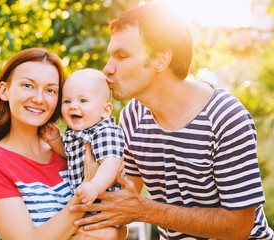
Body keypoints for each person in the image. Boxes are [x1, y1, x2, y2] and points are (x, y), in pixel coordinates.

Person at [69, 4, 274, 240]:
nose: (107, 69)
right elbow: (120, 201)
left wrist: (145, 211)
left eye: (122, 56)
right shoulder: (132, 117)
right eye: (110, 56)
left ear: (160, 59)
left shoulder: (226, 117)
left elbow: (239, 228)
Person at [0, 48, 125, 240]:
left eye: (50, 90)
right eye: (27, 85)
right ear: (4, 90)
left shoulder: (71, 150)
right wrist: (85, 193)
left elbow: (118, 229)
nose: (39, 98)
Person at [41, 68, 124, 205]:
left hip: (105, 205)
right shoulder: (75, 134)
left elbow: (111, 164)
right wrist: (56, 140)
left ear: (105, 110)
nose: (73, 106)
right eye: (67, 101)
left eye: (83, 100)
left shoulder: (104, 132)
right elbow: (70, 155)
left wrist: (94, 187)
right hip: (86, 205)